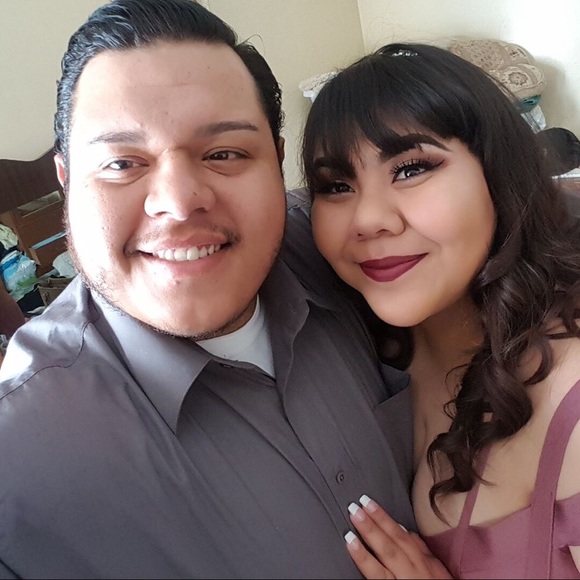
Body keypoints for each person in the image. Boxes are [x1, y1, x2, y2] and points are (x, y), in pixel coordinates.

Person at [0, 2, 418, 578]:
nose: (178, 202)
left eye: (225, 154)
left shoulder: (340, 243)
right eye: (121, 163)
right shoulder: (19, 465)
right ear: (67, 182)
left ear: (277, 164)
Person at [302, 42, 580, 578]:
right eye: (336, 185)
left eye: (411, 169)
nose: (368, 219)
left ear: (498, 175)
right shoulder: (353, 348)